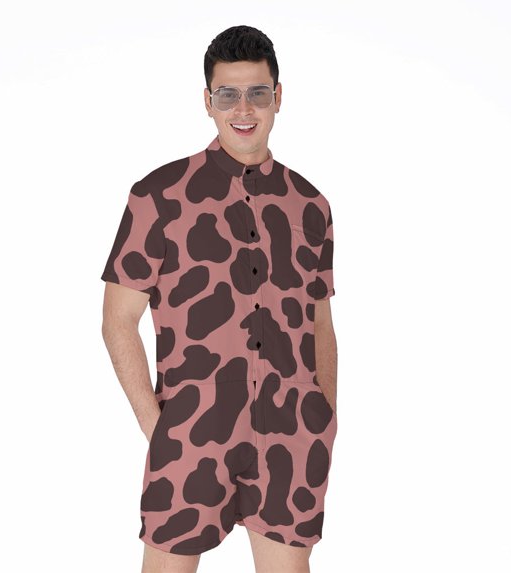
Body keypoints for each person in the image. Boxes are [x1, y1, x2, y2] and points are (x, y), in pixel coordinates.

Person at [100, 24, 338, 573]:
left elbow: (321, 322)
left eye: (257, 92)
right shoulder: (158, 196)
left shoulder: (311, 206)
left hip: (292, 435)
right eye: (227, 94)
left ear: (278, 96)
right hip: (191, 437)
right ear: (208, 102)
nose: (243, 108)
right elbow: (118, 320)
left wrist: (324, 414)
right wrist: (159, 428)